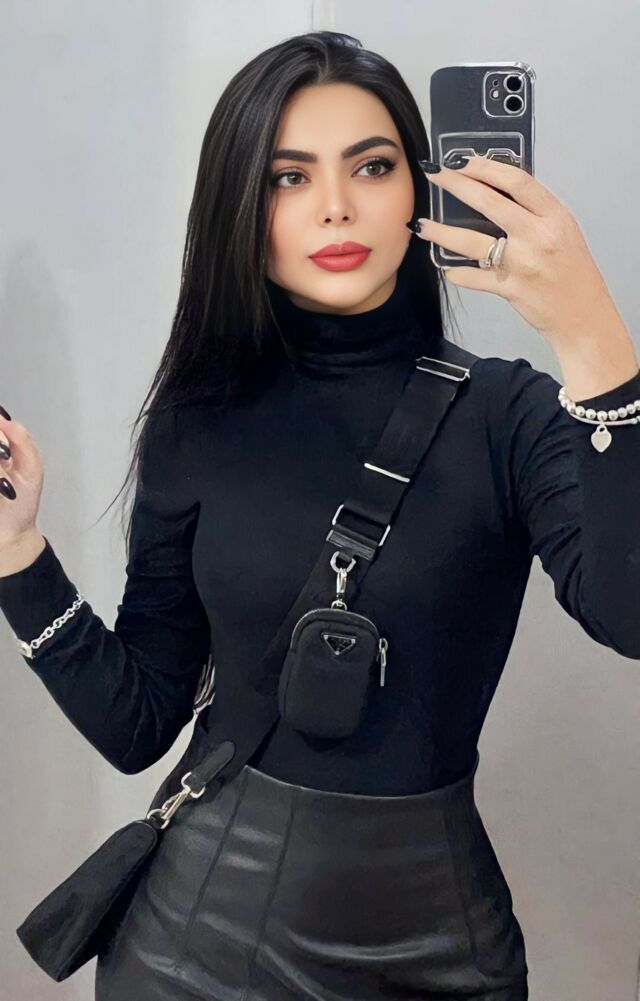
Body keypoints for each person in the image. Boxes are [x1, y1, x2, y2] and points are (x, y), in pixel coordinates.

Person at [1, 30, 639, 1001]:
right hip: (198, 941)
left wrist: (593, 339)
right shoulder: (200, 419)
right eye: (288, 177)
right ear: (240, 207)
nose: (335, 204)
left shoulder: (508, 415)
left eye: (371, 166)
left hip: (441, 947)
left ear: (418, 185)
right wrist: (18, 555)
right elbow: (140, 721)